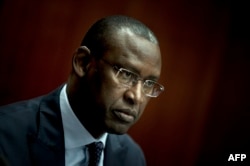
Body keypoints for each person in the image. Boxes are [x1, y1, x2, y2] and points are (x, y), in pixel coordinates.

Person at [0, 15, 164, 166]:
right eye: (126, 74)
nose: (136, 96)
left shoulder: (132, 158)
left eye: (149, 84)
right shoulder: (6, 134)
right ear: (83, 63)